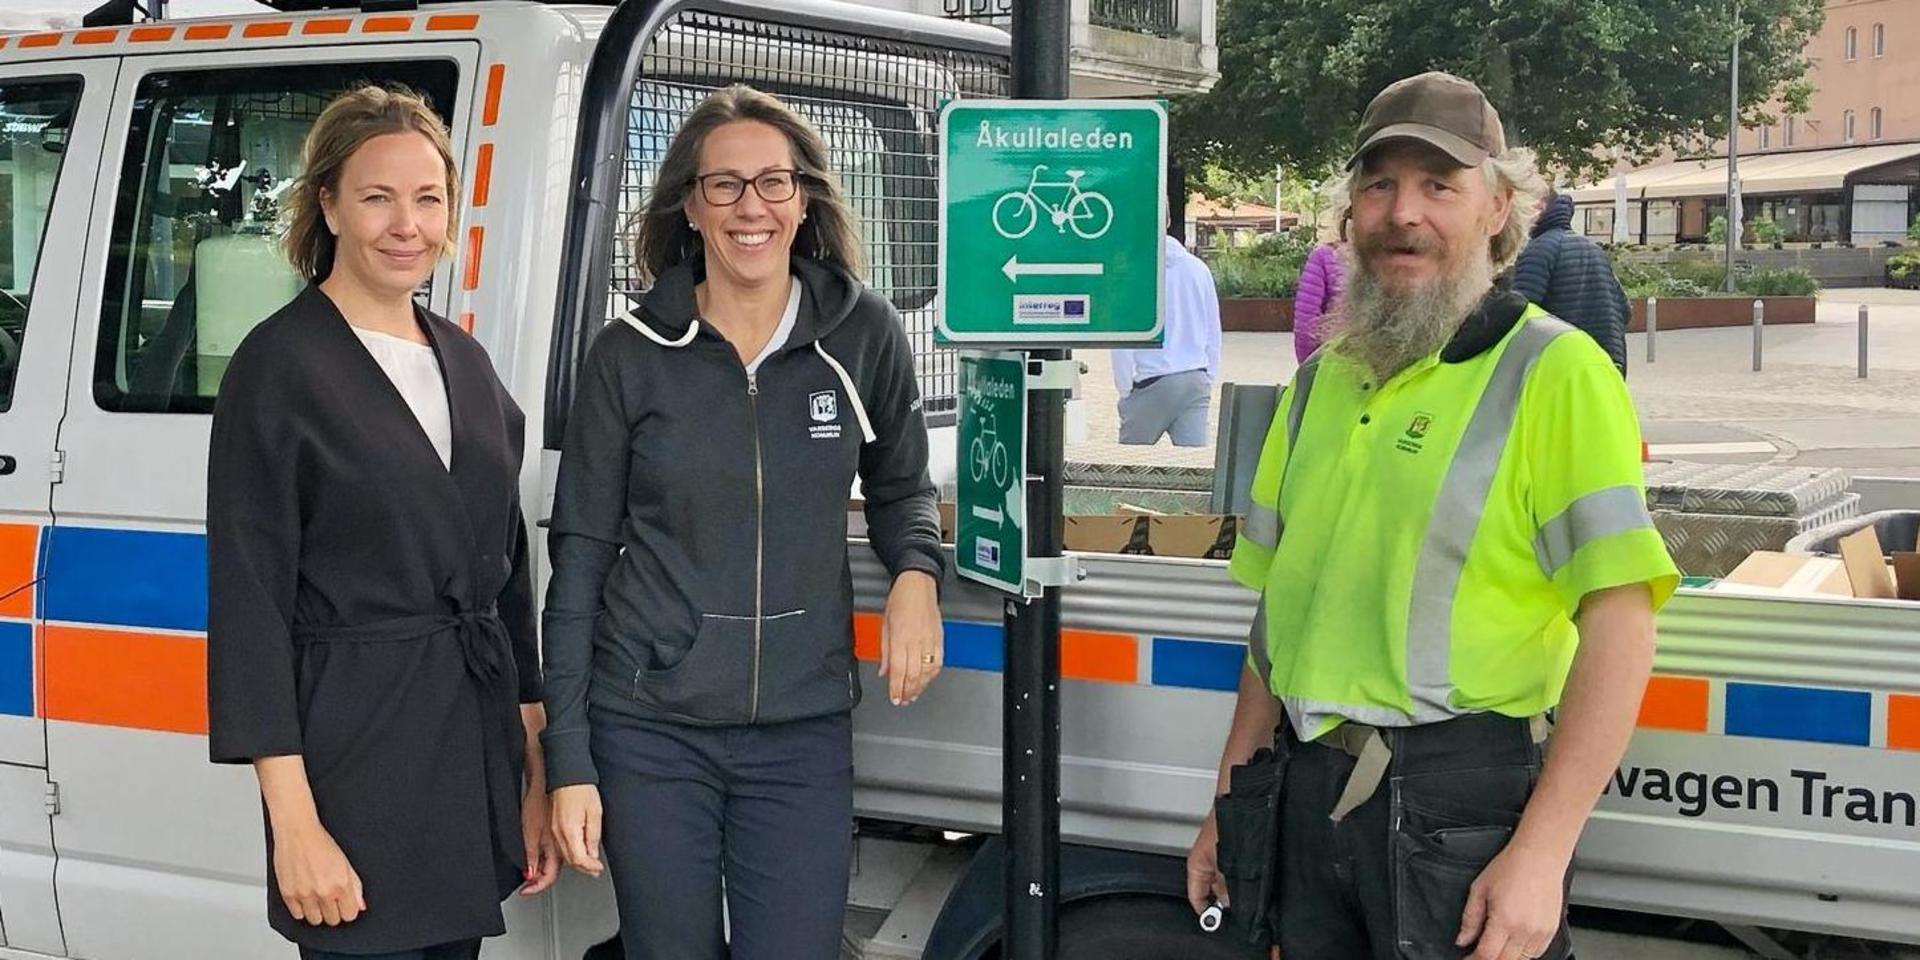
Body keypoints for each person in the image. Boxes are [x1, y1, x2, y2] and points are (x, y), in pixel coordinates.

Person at [1183, 72, 1679, 960]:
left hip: (1462, 812)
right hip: (1303, 790)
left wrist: (1542, 851)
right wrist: (1231, 802)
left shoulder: (1554, 374)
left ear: (1499, 209)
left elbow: (1620, 624)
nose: (1401, 213)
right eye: (1379, 185)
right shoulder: (1319, 385)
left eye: (1438, 186)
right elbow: (1277, 619)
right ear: (1349, 213)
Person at [542, 84, 946, 960]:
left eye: (773, 181)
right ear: (690, 205)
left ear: (805, 198)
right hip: (651, 729)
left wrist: (916, 574)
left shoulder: (862, 335)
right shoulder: (629, 356)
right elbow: (576, 564)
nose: (750, 206)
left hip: (801, 732)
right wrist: (568, 762)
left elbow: (903, 486)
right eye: (723, 185)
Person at [207, 86, 557, 960]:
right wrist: (295, 828)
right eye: (377, 197)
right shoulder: (279, 367)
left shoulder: (465, 361)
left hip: (467, 748)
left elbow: (505, 582)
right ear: (326, 204)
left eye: (428, 198)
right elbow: (249, 610)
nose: (407, 223)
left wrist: (535, 773)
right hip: (353, 762)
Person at [1112, 232, 1222, 446]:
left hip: (1152, 379)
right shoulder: (1199, 269)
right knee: (1193, 465)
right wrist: (1209, 376)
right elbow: (1212, 329)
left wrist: (1124, 388)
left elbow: (1123, 336)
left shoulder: (1133, 271)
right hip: (1195, 377)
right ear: (1169, 221)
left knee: (1130, 464)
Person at [1512, 191, 1631, 375]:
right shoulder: (1594, 249)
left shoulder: (1538, 250)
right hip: (1609, 360)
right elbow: (1625, 309)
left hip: (1563, 362)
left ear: (1539, 206)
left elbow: (1518, 312)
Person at [1291, 239, 1345, 362]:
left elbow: (1305, 324)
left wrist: (1308, 367)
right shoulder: (1391, 258)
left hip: (1336, 361)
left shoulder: (1326, 256)